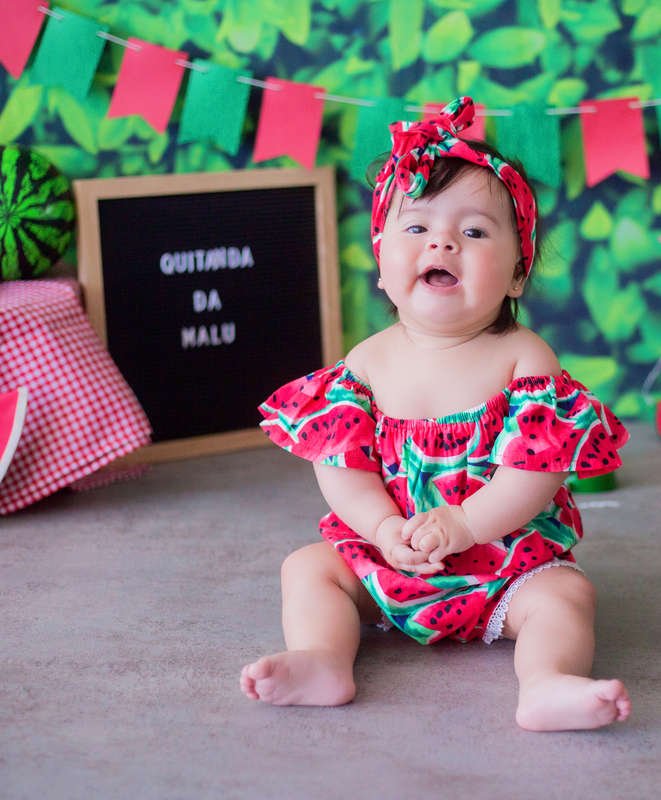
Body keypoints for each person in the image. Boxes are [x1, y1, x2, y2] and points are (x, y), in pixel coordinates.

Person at [241, 97, 631, 731]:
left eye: (475, 232)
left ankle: (547, 681)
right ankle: (323, 658)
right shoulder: (365, 364)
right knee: (308, 568)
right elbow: (341, 464)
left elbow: (536, 471)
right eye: (416, 227)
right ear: (381, 263)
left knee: (567, 596)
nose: (444, 240)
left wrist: (467, 523)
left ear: (515, 275)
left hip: (507, 566)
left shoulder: (523, 358)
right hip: (390, 559)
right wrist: (380, 526)